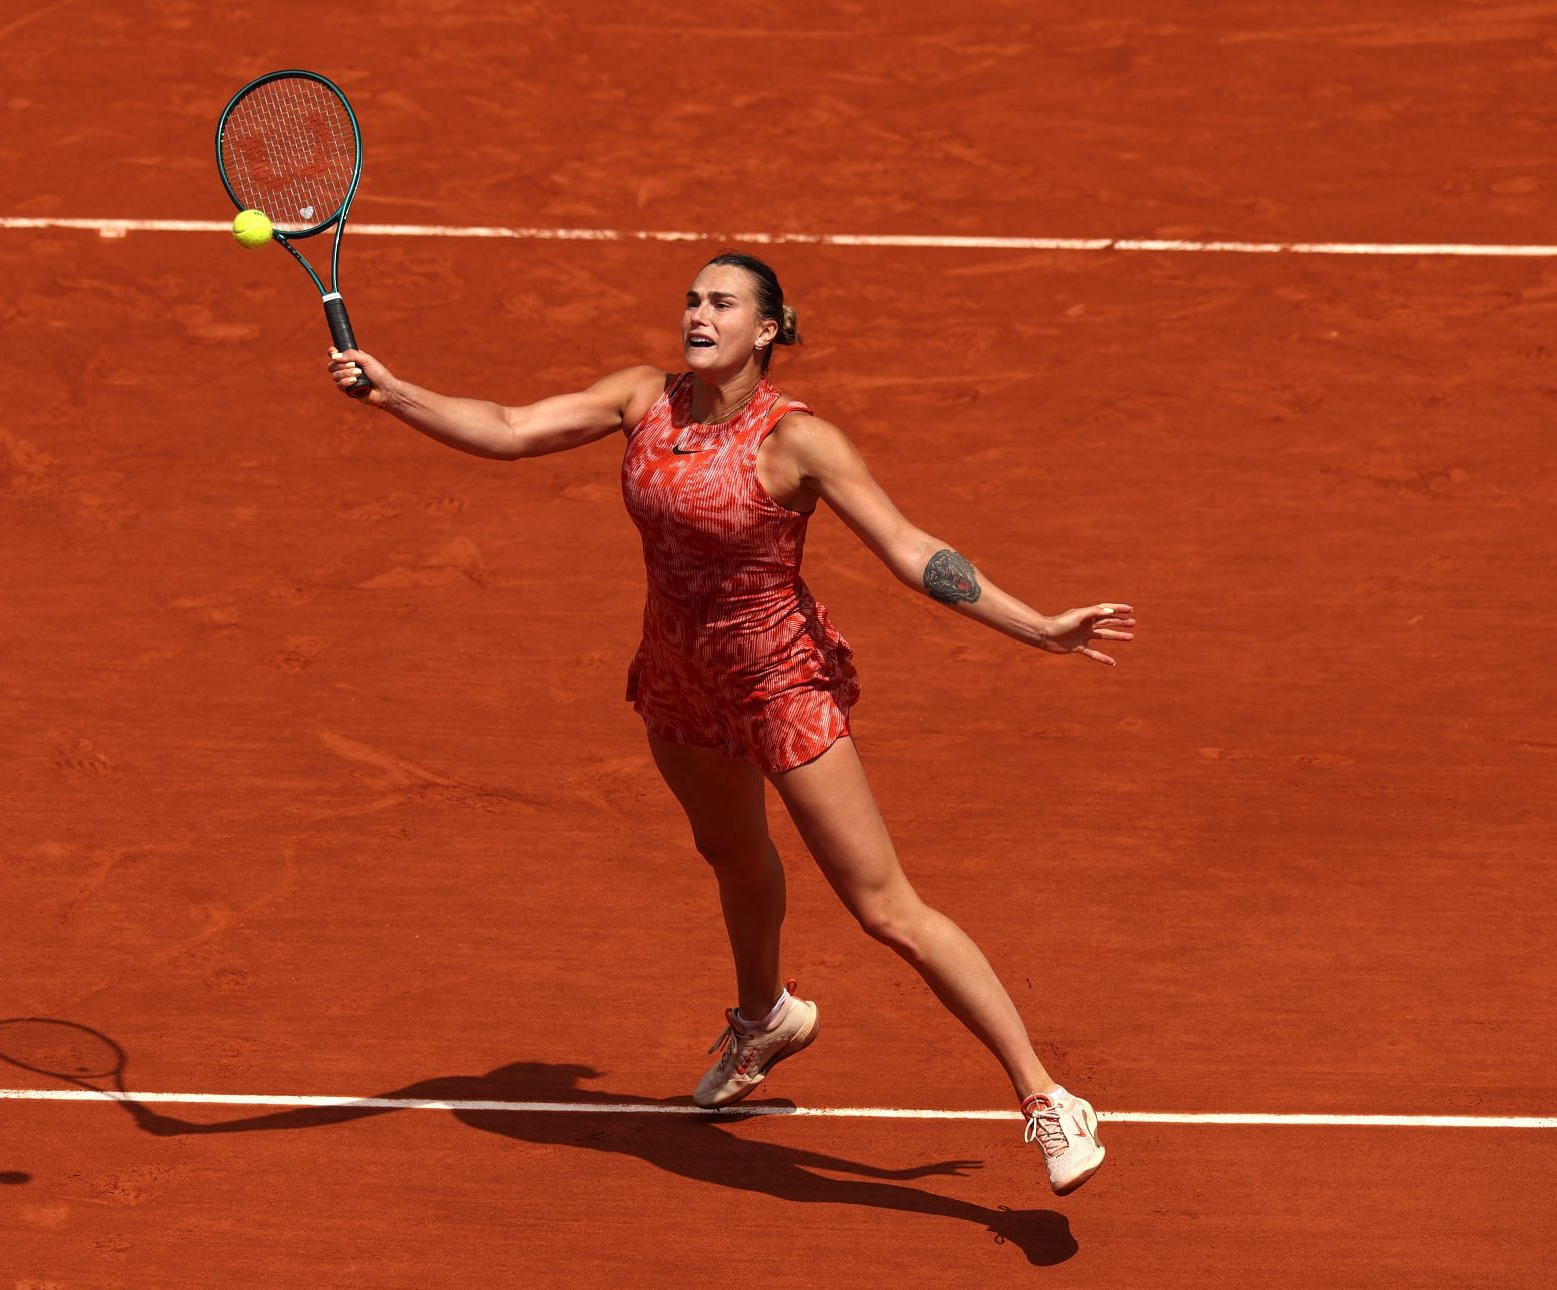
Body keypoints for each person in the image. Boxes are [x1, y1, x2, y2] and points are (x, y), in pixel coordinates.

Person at [323, 251, 1133, 1196]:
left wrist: (1035, 625)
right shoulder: (642, 399)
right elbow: (508, 428)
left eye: (724, 303)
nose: (698, 315)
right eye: (692, 300)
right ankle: (766, 1019)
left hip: (778, 685)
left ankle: (1045, 1098)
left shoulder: (798, 441)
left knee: (885, 909)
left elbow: (911, 548)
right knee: (734, 856)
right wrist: (395, 394)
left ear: (769, 330)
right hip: (678, 680)